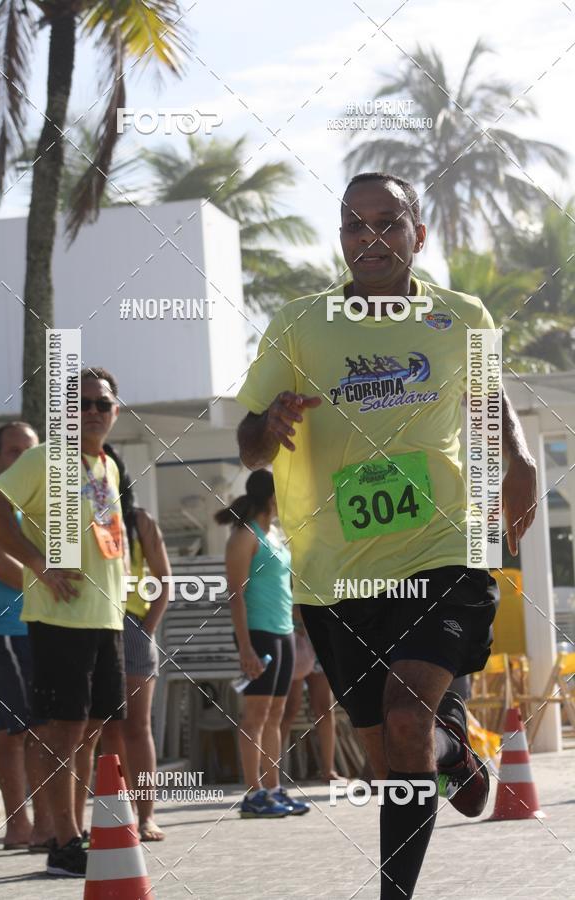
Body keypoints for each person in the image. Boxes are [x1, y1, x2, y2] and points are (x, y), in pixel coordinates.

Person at [235, 173, 537, 898]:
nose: (368, 238)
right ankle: (448, 749)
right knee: (391, 751)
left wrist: (520, 463)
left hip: (441, 552)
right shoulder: (299, 324)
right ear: (339, 238)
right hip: (334, 574)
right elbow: (247, 444)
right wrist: (268, 428)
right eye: (352, 224)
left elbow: (492, 403)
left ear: (417, 233)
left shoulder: (462, 317)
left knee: (404, 713)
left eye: (386, 222)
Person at [0, 367, 127, 877]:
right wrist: (39, 563)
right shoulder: (46, 458)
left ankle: (75, 831)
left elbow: (108, 538)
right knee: (61, 733)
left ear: (115, 411)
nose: (92, 413)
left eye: (101, 404)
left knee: (91, 730)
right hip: (59, 617)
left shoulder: (106, 466)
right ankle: (62, 842)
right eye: (81, 404)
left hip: (105, 616)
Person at [0, 422, 53, 850]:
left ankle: (41, 823)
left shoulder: (39, 506)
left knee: (36, 727)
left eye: (31, 451)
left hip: (42, 628)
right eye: (13, 452)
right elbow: (2, 568)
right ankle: (25, 826)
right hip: (4, 630)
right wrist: (58, 582)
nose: (23, 459)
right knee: (20, 729)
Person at [215, 469, 309, 818]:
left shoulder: (274, 534)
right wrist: (245, 648)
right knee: (255, 716)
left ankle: (273, 788)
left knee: (276, 714)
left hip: (283, 631)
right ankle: (253, 794)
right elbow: (235, 595)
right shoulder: (244, 536)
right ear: (273, 497)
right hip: (257, 633)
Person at [102, 443, 170, 841]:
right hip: (93, 625)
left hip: (130, 623)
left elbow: (164, 580)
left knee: (137, 728)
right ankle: (119, 815)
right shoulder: (77, 517)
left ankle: (146, 816)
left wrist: (146, 628)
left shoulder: (140, 520)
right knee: (108, 729)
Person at [280, 609, 346, 784]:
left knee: (324, 708)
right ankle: (270, 771)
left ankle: (329, 771)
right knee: (290, 708)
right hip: (295, 636)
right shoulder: (288, 580)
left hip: (318, 638)